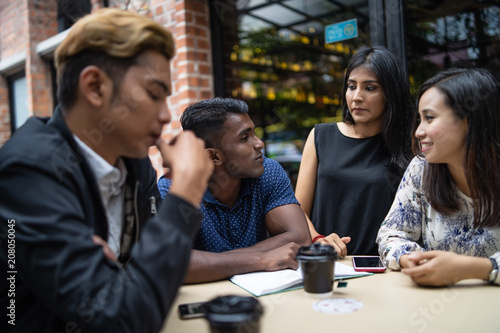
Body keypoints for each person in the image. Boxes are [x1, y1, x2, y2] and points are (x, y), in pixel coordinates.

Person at [0, 8, 213, 332]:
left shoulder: (136, 163)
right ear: (95, 86)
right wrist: (185, 194)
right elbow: (117, 319)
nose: (166, 115)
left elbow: (152, 274)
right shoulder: (29, 171)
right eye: (154, 94)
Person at [158, 97, 311, 283]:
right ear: (214, 156)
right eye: (244, 138)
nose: (259, 143)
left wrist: (211, 264)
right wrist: (260, 259)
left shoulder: (268, 172)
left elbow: (300, 238)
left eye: (254, 133)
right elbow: (171, 263)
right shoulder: (174, 190)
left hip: (264, 294)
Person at [377, 68, 500, 286]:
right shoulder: (421, 168)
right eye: (419, 119)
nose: (418, 131)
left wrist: (471, 269)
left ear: (469, 120)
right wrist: (410, 259)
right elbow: (392, 234)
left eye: (429, 118)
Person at [295, 45, 415, 257]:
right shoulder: (320, 136)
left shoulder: (407, 146)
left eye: (370, 88)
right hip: (327, 263)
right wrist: (318, 239)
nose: (356, 97)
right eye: (352, 86)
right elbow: (298, 210)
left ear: (391, 93)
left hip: (384, 267)